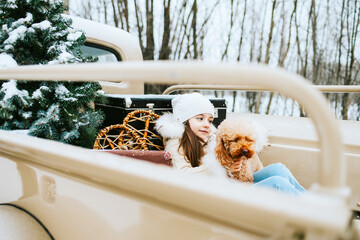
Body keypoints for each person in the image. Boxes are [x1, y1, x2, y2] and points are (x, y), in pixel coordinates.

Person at [155, 92, 305, 195]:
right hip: (220, 192)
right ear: (184, 120)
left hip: (235, 183)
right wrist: (221, 167)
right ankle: (312, 217)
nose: (206, 124)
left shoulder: (213, 137)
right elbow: (182, 175)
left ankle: (310, 203)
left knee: (278, 169)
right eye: (200, 118)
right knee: (277, 183)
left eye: (210, 120)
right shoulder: (176, 143)